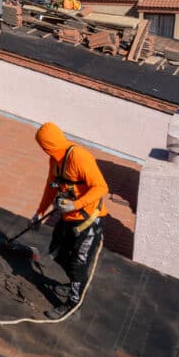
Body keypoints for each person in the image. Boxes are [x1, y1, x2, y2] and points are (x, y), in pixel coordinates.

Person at [30, 122, 108, 319]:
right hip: (68, 218)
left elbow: (101, 187)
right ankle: (76, 282)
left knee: (78, 263)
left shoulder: (79, 157)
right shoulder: (55, 160)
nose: (44, 150)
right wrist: (40, 212)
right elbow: (52, 185)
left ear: (49, 144)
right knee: (57, 251)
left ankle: (73, 304)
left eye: (44, 146)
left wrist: (76, 204)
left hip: (89, 220)